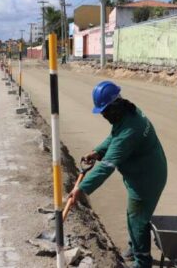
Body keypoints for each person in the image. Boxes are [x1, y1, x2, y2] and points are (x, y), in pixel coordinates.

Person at [68, 81, 168, 268]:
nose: (104, 115)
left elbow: (107, 166)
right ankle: (135, 247)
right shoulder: (128, 113)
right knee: (136, 216)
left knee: (137, 217)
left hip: (146, 179)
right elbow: (114, 136)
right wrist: (98, 151)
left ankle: (142, 261)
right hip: (146, 170)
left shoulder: (130, 129)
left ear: (114, 106)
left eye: (105, 110)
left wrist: (82, 188)